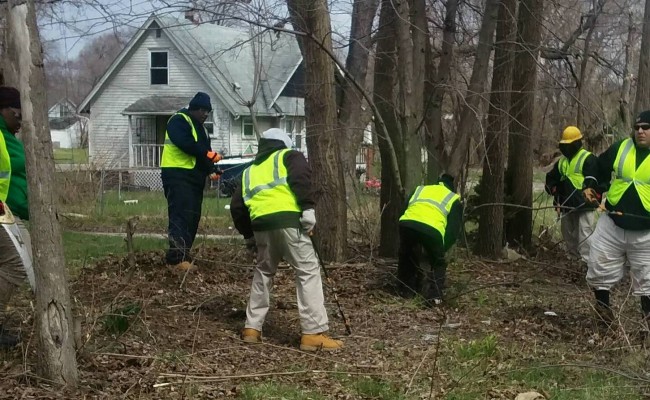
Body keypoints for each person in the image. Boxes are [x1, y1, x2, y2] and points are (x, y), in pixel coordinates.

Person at [230, 128, 343, 351]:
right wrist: (308, 209)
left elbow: (237, 207)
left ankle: (252, 328)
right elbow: (300, 178)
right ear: (284, 143)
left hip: (261, 227)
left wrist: (249, 235)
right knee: (307, 271)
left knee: (263, 274)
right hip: (290, 223)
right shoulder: (289, 156)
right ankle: (313, 333)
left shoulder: (249, 171)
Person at [584, 110, 650, 327]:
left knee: (648, 279)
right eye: (637, 127)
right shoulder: (621, 147)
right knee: (598, 266)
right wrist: (592, 186)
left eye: (646, 127)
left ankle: (646, 326)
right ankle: (604, 317)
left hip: (646, 232)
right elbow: (598, 166)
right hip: (612, 223)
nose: (640, 131)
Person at [161, 92, 220, 272]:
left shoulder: (202, 129)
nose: (204, 114)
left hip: (194, 179)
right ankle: (176, 259)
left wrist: (212, 169)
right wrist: (207, 155)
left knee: (192, 217)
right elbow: (186, 143)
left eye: (207, 111)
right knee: (180, 215)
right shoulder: (179, 120)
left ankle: (184, 254)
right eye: (201, 110)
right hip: (177, 176)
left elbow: (204, 153)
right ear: (193, 108)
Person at [396, 174, 462, 304]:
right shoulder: (453, 198)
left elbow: (405, 208)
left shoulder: (421, 189)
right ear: (452, 187)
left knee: (406, 255)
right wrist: (440, 250)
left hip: (407, 223)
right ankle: (434, 297)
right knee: (438, 263)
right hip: (432, 231)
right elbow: (453, 232)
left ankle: (405, 290)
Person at [0, 86, 31, 348]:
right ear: (6, 110)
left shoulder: (7, 135)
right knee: (18, 264)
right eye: (17, 115)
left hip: (8, 212)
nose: (20, 121)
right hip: (1, 214)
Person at [544, 126, 599, 263]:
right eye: (564, 145)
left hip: (584, 204)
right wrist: (552, 189)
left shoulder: (588, 158)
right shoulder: (561, 162)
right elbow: (551, 178)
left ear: (576, 143)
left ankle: (586, 262)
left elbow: (595, 180)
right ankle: (572, 259)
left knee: (584, 233)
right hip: (566, 203)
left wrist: (590, 194)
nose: (566, 148)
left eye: (569, 145)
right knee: (568, 233)